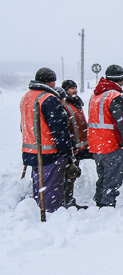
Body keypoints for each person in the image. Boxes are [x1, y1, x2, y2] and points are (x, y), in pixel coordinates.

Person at [20, 67, 77, 213]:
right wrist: (68, 153)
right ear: (50, 82)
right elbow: (60, 130)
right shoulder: (48, 99)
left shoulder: (26, 97)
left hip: (31, 149)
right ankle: (49, 214)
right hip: (49, 152)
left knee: (39, 185)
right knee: (50, 187)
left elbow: (24, 124)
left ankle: (38, 210)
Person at [87, 65, 123, 208]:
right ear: (121, 80)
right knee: (113, 177)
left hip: (96, 144)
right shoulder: (116, 97)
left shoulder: (95, 96)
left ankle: (100, 199)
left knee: (103, 175)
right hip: (111, 144)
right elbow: (122, 124)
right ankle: (107, 204)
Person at [61, 79, 92, 209]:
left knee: (73, 173)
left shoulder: (77, 103)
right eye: (71, 88)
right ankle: (66, 200)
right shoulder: (65, 105)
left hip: (82, 145)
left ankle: (68, 199)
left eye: (75, 87)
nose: (74, 90)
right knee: (70, 173)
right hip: (73, 146)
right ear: (65, 90)